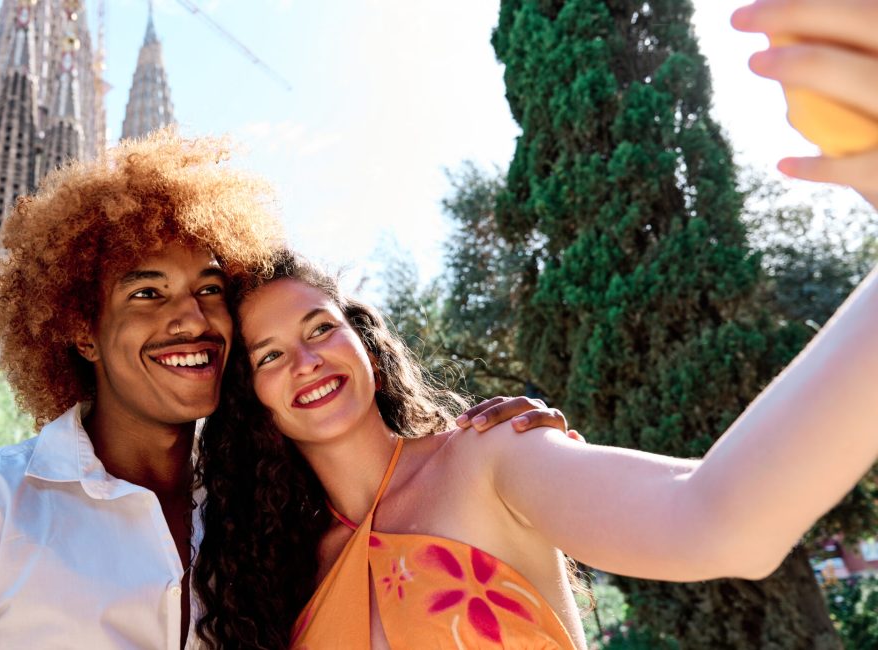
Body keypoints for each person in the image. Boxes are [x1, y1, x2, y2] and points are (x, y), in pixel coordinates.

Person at [192, 2, 878, 647]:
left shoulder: (492, 456)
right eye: (269, 356)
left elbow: (720, 522)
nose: (307, 360)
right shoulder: (273, 578)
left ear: (363, 339)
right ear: (251, 399)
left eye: (318, 328)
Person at [0, 132, 574, 649]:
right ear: (80, 330)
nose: (189, 318)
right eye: (147, 293)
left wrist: (494, 453)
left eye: (208, 289)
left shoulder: (268, 519)